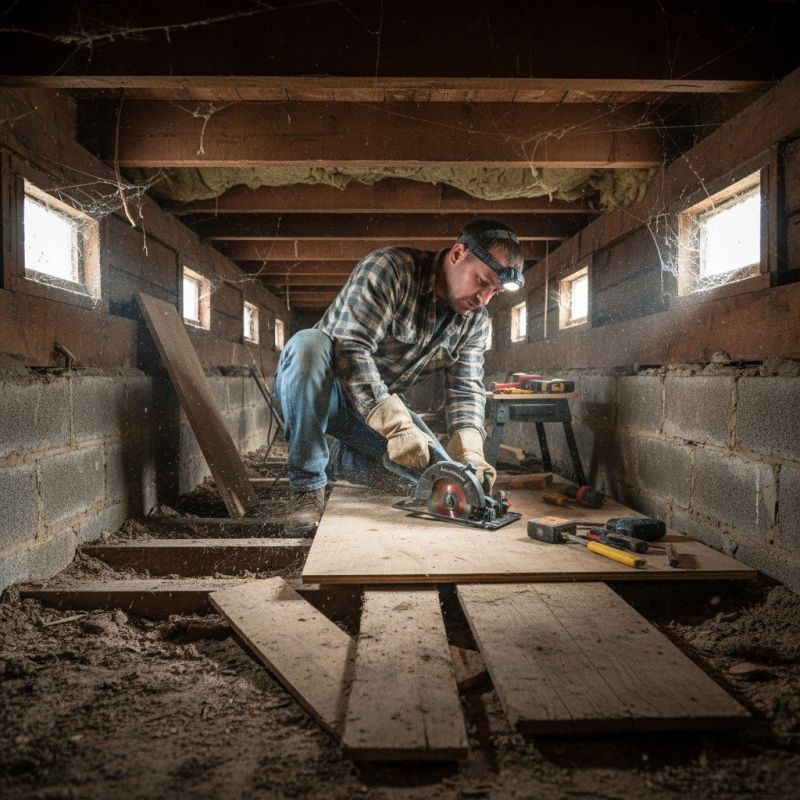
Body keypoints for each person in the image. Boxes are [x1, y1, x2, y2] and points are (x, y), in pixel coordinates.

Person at [273, 218, 525, 536]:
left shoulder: (474, 321)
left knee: (433, 476)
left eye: (494, 292)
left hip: (372, 410)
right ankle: (307, 489)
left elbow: (465, 386)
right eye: (481, 281)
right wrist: (396, 425)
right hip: (319, 390)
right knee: (308, 343)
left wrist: (470, 451)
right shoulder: (391, 269)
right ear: (458, 253)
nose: (483, 299)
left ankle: (335, 459)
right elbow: (351, 350)